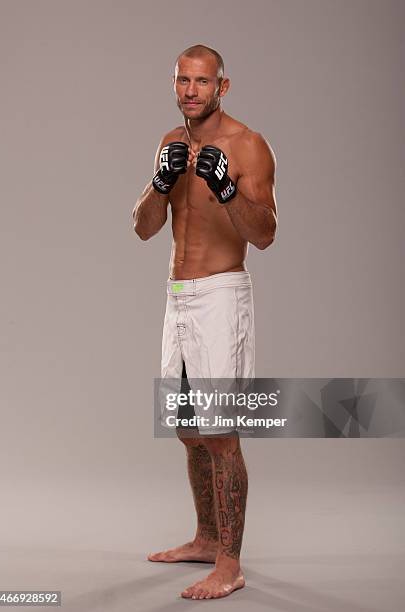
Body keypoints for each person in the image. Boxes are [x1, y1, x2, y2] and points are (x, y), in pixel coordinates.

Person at [132, 44, 277, 600]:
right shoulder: (170, 142)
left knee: (219, 433)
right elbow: (144, 228)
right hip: (178, 295)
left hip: (221, 296)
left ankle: (230, 563)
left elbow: (264, 233)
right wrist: (159, 185)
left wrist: (226, 188)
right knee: (187, 428)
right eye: (182, 81)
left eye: (202, 81)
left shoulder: (248, 145)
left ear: (223, 86)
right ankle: (204, 537)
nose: (190, 90)